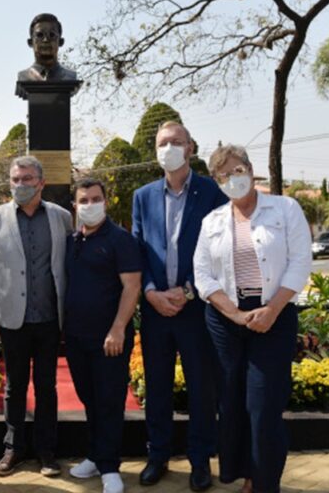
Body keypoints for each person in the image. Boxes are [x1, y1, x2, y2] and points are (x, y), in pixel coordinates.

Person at [193, 146, 310, 493]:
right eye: (224, 175)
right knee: (230, 403)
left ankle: (264, 482)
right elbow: (202, 274)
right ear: (217, 181)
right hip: (226, 321)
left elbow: (301, 261)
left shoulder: (285, 208)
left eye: (238, 170)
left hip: (273, 316)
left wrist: (272, 309)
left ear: (250, 169)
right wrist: (235, 314)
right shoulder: (212, 221)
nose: (233, 179)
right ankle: (244, 475)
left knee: (263, 405)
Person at [131, 121, 227, 491]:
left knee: (202, 389)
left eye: (176, 142)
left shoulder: (211, 193)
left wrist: (186, 293)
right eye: (162, 143)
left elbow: (218, 252)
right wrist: (152, 292)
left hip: (196, 310)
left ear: (190, 148)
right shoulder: (143, 196)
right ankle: (158, 456)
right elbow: (138, 249)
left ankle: (200, 461)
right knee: (156, 387)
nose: (168, 148)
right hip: (156, 310)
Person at [0, 155, 72, 478]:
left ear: (41, 182)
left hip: (49, 318)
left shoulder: (61, 217)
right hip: (11, 319)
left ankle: (47, 451)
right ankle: (13, 448)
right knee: (14, 386)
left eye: (28, 179)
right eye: (15, 180)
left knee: (47, 386)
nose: (20, 185)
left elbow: (66, 267)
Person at [63, 179, 141, 493]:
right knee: (90, 400)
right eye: (84, 200)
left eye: (96, 199)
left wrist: (118, 328)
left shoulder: (121, 240)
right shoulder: (72, 241)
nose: (90, 205)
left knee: (109, 401)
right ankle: (95, 456)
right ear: (75, 206)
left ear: (106, 202)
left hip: (110, 338)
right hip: (77, 337)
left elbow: (132, 287)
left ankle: (110, 467)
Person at [15, 13, 79, 99]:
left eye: (52, 35)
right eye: (40, 35)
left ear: (60, 41)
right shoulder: (24, 76)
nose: (45, 40)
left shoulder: (70, 77)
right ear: (30, 42)